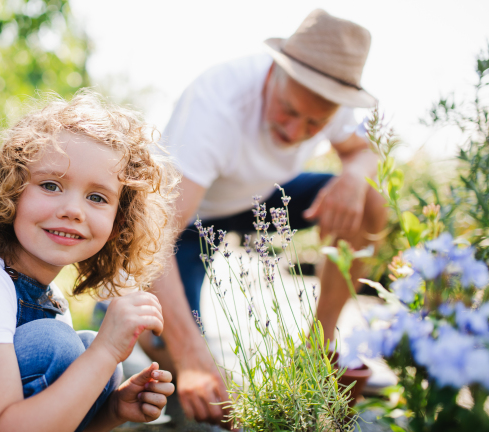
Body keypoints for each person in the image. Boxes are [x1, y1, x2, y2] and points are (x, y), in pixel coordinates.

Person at [137, 9, 388, 428]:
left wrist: (353, 177)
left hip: (264, 199)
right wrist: (192, 355)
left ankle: (317, 352)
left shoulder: (329, 99)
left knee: (371, 204)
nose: (294, 132)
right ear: (274, 69)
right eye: (288, 111)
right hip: (187, 222)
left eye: (314, 124)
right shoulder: (216, 105)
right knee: (165, 340)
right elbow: (150, 239)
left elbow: (363, 151)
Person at [0, 90, 179, 432]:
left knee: (84, 356)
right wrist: (107, 350)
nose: (72, 210)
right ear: (12, 191)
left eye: (97, 197)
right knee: (60, 348)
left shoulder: (49, 300)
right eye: (51, 185)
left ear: (119, 224)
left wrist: (112, 409)